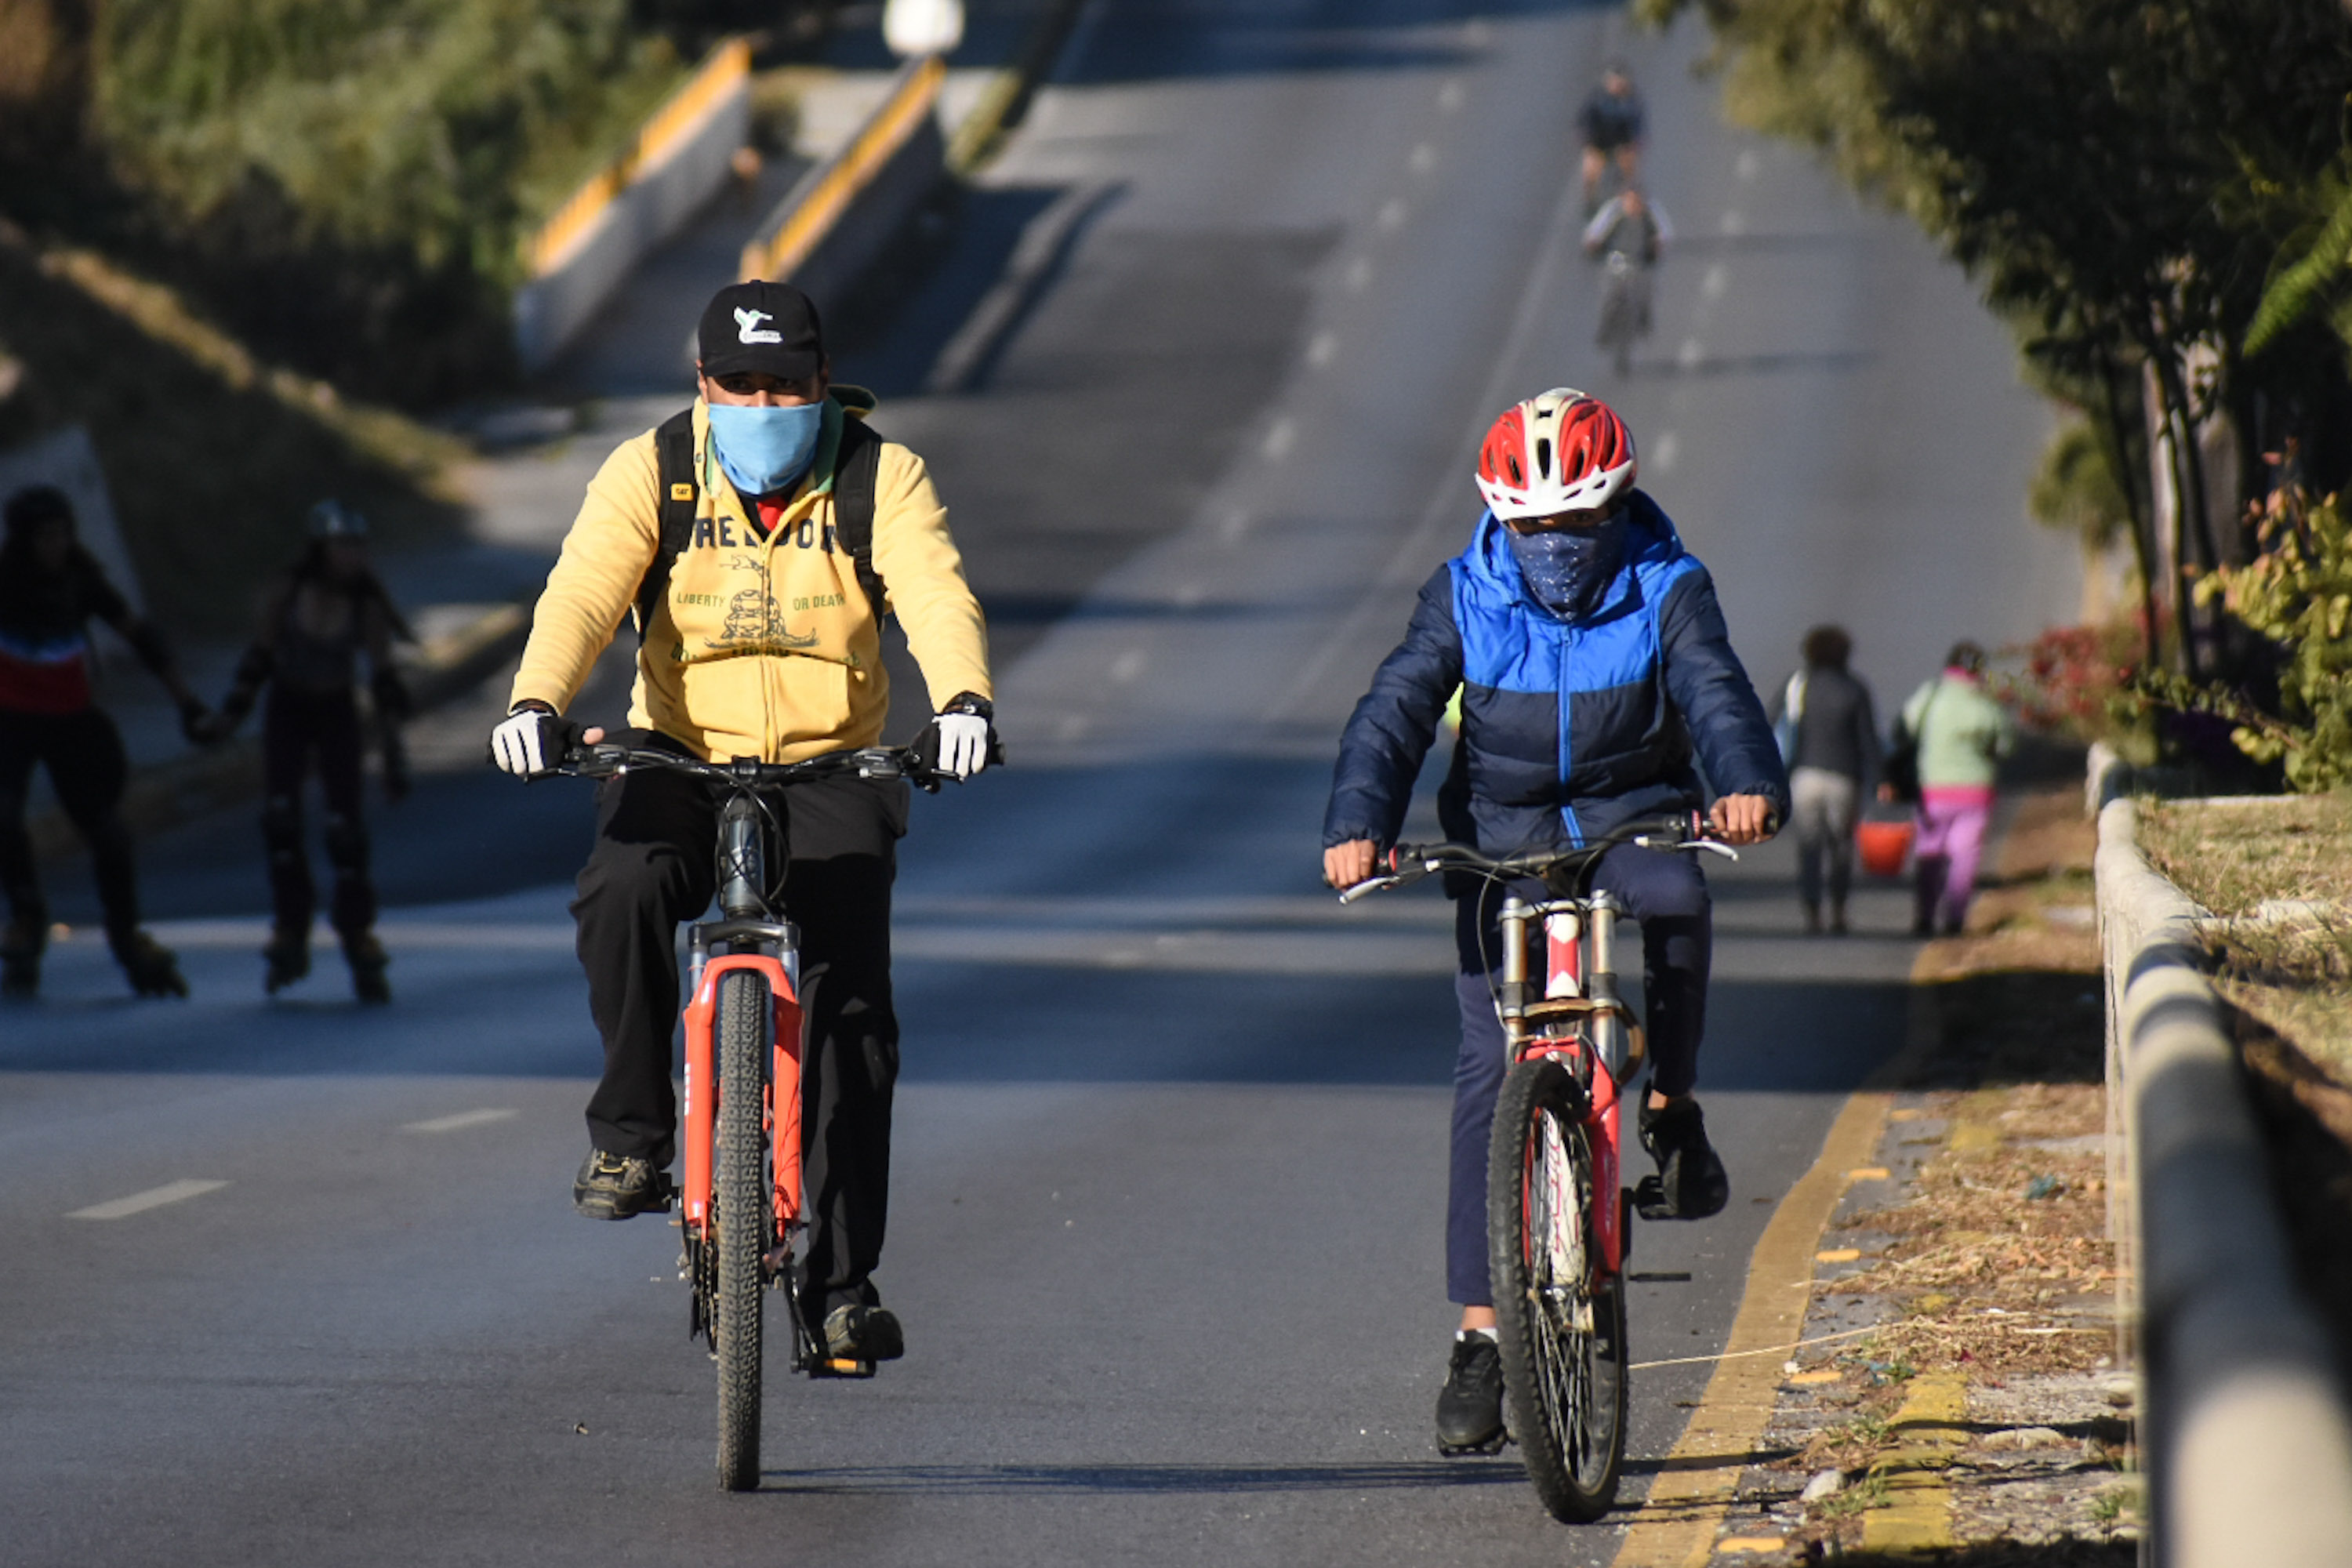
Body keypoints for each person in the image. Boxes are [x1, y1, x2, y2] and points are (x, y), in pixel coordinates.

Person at [487, 280, 996, 1370]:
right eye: (740, 386)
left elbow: (937, 595)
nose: (763, 404)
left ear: (823, 387)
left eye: (785, 386)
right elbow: (582, 593)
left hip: (830, 764)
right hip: (675, 752)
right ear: (703, 387)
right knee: (620, 887)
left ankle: (842, 1289)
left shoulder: (879, 474)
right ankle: (631, 1140)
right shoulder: (653, 470)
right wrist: (535, 701)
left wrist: (962, 703)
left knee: (854, 1019)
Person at [1319, 389, 1786, 1454]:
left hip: (1635, 817)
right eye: (1534, 524)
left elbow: (1717, 693)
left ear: (1616, 506)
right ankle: (1483, 1337)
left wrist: (1745, 785)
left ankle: (1669, 1101)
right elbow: (1392, 712)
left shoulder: (1668, 584)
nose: (1556, 544)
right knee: (1489, 1070)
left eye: (1579, 521)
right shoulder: (1462, 595)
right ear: (1501, 517)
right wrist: (1359, 823)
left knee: (1676, 900)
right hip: (1500, 837)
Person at [0, 484, 209, 997]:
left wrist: (186, 703)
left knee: (108, 832)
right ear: (24, 541)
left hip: (73, 720)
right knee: (2, 817)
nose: (56, 546)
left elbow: (141, 637)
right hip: (13, 720)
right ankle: (27, 915)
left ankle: (127, 934)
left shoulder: (81, 582)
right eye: (45, 537)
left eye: (63, 535)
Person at [205, 499, 412, 1000]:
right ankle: (290, 927)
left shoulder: (366, 604)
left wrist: (392, 755)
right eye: (343, 546)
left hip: (336, 712)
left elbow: (384, 683)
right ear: (321, 548)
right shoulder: (287, 591)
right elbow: (258, 658)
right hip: (289, 710)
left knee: (345, 829)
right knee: (280, 820)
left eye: (358, 547)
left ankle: (357, 932)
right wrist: (228, 716)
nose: (352, 557)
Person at [1887, 641, 2015, 937]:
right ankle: (1955, 918)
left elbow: (1901, 728)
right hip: (1976, 791)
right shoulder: (1988, 704)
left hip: (1934, 789)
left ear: (1949, 667)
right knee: (1965, 855)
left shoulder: (1931, 696)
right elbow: (2006, 747)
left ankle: (1924, 916)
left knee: (1930, 852)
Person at [1769, 624, 1879, 935]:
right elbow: (1868, 739)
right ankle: (1839, 911)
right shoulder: (1854, 689)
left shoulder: (1798, 685)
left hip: (1804, 777)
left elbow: (1769, 721)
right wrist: (1882, 780)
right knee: (1841, 849)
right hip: (1845, 779)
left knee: (1809, 848)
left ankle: (1813, 912)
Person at [1581, 187, 1674, 374]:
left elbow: (1665, 233)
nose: (1633, 207)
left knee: (1645, 296)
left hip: (1640, 264)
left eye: (1636, 203)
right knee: (1609, 298)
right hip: (1616, 262)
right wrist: (1593, 245)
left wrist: (1657, 248)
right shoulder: (1613, 212)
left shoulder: (1651, 213)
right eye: (1629, 202)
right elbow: (1594, 232)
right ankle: (1605, 329)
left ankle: (1643, 324)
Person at [1578, 62, 1646, 214]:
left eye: (1621, 82)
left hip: (1622, 140)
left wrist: (1637, 141)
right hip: (1599, 140)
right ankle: (1589, 198)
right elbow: (1584, 120)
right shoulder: (1597, 99)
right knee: (1591, 166)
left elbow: (1638, 123)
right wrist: (1587, 139)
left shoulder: (1632, 101)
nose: (1618, 86)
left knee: (1629, 162)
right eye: (1614, 82)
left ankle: (1631, 194)